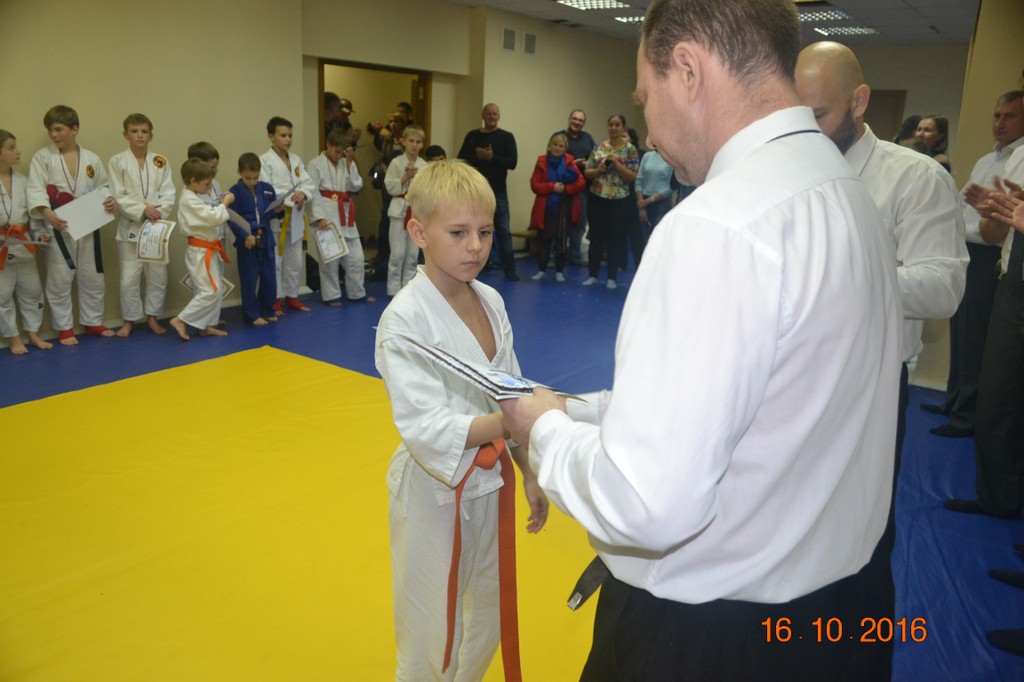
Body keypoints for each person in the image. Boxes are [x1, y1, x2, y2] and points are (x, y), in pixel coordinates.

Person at [501, 1, 901, 679]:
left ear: (687, 69)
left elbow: (645, 504)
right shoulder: (844, 188)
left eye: (644, 97)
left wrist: (542, 430)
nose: (650, 128)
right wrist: (580, 409)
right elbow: (763, 402)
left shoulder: (719, 223)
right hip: (839, 617)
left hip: (716, 637)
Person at [374, 159, 547, 681]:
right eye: (458, 233)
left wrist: (530, 470)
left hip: (491, 483)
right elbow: (426, 429)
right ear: (418, 232)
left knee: (486, 615)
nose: (475, 246)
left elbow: (509, 387)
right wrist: (520, 418)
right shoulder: (404, 320)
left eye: (485, 232)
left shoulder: (490, 301)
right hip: (434, 493)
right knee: (432, 632)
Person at [923, 91, 1024, 437]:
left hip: (989, 256)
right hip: (967, 249)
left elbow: (998, 225)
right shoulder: (987, 160)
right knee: (961, 331)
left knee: (976, 337)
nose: (1000, 123)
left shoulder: (1018, 161)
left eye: (1010, 116)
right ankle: (954, 401)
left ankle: (967, 416)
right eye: (997, 115)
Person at [945, 151, 1024, 520]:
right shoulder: (1020, 156)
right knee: (997, 402)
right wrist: (995, 214)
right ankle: (998, 499)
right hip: (1013, 284)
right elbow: (994, 234)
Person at [27, 105, 117, 345]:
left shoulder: (91, 159)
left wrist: (109, 199)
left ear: (74, 129)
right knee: (59, 276)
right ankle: (64, 328)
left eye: (58, 129)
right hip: (59, 226)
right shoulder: (43, 158)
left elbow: (104, 186)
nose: (53, 134)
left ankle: (93, 321)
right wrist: (46, 212)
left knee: (92, 275)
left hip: (88, 224)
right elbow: (35, 189)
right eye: (50, 130)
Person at [108, 113, 176, 337]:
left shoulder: (161, 161)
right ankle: (129, 320)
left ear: (151, 136)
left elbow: (169, 192)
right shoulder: (117, 162)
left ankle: (152, 318)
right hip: (130, 228)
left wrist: (157, 212)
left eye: (144, 132)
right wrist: (142, 210)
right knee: (128, 278)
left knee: (157, 276)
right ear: (125, 135)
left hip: (156, 227)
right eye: (134, 131)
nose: (140, 135)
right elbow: (117, 195)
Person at [169, 159, 234, 341]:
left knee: (216, 290)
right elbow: (212, 218)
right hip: (200, 252)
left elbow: (207, 215)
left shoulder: (193, 196)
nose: (209, 187)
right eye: (206, 184)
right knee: (209, 291)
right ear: (193, 181)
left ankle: (206, 326)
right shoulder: (188, 199)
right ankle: (180, 319)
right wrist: (225, 203)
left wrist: (218, 203)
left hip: (207, 249)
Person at [308, 128, 374, 304]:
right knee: (330, 260)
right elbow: (313, 192)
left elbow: (356, 185)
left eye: (342, 152)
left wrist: (351, 163)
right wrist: (319, 217)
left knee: (356, 258)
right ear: (328, 145)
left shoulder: (347, 163)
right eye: (336, 151)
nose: (339, 156)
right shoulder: (315, 164)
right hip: (326, 214)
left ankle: (357, 293)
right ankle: (332, 296)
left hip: (345, 214)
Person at [0, 130, 51, 355]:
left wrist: (40, 235)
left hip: (23, 245)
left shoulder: (24, 181)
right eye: (11, 148)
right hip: (1, 250)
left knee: (32, 291)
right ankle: (13, 338)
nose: (17, 151)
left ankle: (33, 333)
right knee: (2, 297)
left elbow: (34, 216)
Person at [260, 116, 316, 313]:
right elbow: (265, 189)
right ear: (271, 136)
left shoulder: (296, 160)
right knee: (276, 260)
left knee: (295, 259)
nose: (288, 139)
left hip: (297, 216)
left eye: (290, 135)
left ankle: (292, 296)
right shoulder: (264, 161)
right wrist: (288, 197)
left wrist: (304, 193)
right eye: (283, 135)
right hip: (278, 217)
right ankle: (274, 299)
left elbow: (308, 183)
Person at [458, 103, 519, 281]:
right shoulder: (472, 136)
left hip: (498, 192)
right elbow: (460, 160)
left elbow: (512, 162)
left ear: (499, 116)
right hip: (474, 193)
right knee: (475, 230)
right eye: (488, 114)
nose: (491, 117)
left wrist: (493, 157)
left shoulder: (506, 137)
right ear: (482, 116)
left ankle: (510, 269)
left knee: (503, 230)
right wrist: (476, 156)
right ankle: (477, 266)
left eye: (494, 114)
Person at [582, 114, 639, 289]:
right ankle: (592, 275)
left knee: (615, 237)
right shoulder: (599, 147)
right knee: (596, 236)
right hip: (597, 197)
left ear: (623, 128)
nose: (613, 128)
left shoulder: (630, 150)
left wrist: (616, 163)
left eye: (617, 125)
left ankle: (612, 278)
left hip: (619, 200)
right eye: (611, 124)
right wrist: (598, 169)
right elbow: (587, 172)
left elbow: (631, 177)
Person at [226, 153, 278, 326]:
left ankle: (267, 310)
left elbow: (271, 213)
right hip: (247, 238)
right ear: (239, 172)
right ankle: (252, 314)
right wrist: (244, 235)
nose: (252, 182)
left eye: (255, 178)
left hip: (266, 236)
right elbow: (231, 217)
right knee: (249, 278)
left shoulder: (267, 188)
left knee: (269, 277)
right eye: (248, 178)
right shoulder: (234, 192)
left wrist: (277, 210)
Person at [529, 133, 585, 281]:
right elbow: (534, 184)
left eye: (561, 146)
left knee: (562, 241)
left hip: (564, 207)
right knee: (544, 240)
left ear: (565, 149)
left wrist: (566, 189)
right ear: (549, 145)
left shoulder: (570, 162)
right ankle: (541, 270)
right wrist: (552, 187)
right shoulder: (541, 161)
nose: (557, 148)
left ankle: (559, 271)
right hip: (545, 207)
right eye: (555, 144)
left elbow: (581, 183)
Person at [185, 141, 232, 317]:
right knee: (204, 286)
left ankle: (212, 320)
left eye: (216, 167)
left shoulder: (215, 185)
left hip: (217, 240)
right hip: (202, 245)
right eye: (211, 169)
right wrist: (225, 204)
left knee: (217, 282)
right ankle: (199, 321)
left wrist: (222, 201)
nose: (215, 172)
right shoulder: (191, 194)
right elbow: (209, 216)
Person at [384, 125, 426, 297]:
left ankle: (408, 289)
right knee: (397, 253)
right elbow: (389, 187)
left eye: (418, 142)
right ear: (403, 142)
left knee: (412, 254)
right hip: (398, 211)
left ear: (422, 145)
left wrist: (415, 177)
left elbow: (427, 190)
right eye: (411, 141)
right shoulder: (396, 163)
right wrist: (406, 177)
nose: (414, 145)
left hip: (416, 212)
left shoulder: (424, 165)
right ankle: (393, 290)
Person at [557, 110, 596, 266]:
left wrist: (588, 164)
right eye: (574, 119)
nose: (577, 122)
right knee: (559, 224)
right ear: (569, 119)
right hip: (562, 188)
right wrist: (573, 164)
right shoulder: (559, 137)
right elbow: (552, 159)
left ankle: (574, 256)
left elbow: (595, 158)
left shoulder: (587, 138)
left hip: (582, 189)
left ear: (583, 123)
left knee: (579, 224)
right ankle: (556, 256)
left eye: (580, 120)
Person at [635, 148, 674, 237]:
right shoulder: (647, 156)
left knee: (659, 236)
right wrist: (641, 205)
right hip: (644, 201)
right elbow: (639, 180)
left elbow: (671, 187)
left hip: (662, 203)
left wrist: (648, 201)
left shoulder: (672, 158)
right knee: (645, 238)